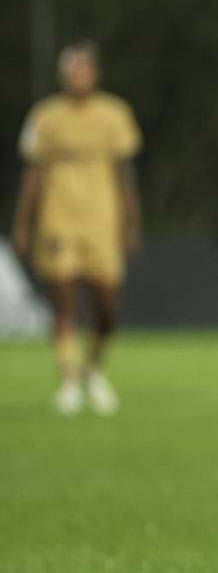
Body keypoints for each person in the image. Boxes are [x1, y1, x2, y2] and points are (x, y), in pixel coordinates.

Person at [12, 40, 143, 416]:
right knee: (63, 299)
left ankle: (93, 369)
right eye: (72, 71)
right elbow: (32, 175)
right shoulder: (45, 117)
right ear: (62, 75)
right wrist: (23, 223)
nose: (78, 77)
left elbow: (125, 174)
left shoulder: (115, 113)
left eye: (84, 70)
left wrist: (132, 223)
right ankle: (68, 380)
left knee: (107, 309)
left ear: (95, 74)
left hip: (102, 219)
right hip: (58, 218)